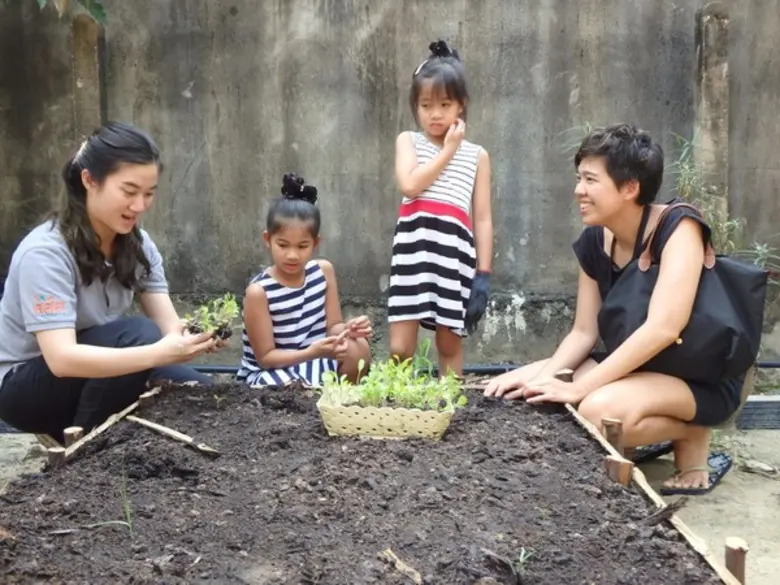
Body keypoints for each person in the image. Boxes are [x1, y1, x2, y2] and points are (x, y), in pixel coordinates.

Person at [484, 124, 740, 495]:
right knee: (525, 384)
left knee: (593, 410)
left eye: (590, 180)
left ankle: (693, 430)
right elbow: (584, 333)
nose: (578, 191)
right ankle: (641, 427)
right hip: (639, 371)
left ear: (630, 188)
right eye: (579, 178)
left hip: (699, 378)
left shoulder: (678, 227)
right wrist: (547, 376)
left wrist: (577, 388)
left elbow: (664, 328)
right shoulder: (594, 240)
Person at [0, 122, 223, 444]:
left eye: (148, 194)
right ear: (89, 180)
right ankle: (86, 449)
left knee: (202, 395)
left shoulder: (138, 244)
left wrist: (197, 338)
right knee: (139, 335)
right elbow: (62, 359)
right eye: (129, 192)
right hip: (27, 388)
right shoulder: (46, 253)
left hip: (95, 375)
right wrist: (158, 353)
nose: (140, 206)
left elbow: (170, 327)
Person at [387, 39, 493, 377]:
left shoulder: (477, 155)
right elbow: (410, 185)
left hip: (453, 257)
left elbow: (483, 218)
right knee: (400, 347)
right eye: (426, 105)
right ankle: (397, 407)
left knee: (448, 344)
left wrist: (484, 274)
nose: (435, 114)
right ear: (415, 106)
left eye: (445, 104)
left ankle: (451, 410)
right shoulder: (409, 141)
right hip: (412, 253)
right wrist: (448, 151)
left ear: (460, 105)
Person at [238, 173, 372, 387]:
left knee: (358, 347)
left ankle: (342, 404)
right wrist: (310, 352)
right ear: (268, 240)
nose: (292, 255)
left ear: (315, 243)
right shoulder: (259, 291)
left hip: (316, 360)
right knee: (286, 384)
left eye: (302, 246)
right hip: (274, 370)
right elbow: (265, 358)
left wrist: (350, 329)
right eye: (283, 245)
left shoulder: (323, 272)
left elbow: (334, 327)